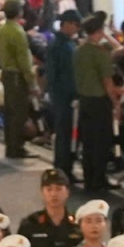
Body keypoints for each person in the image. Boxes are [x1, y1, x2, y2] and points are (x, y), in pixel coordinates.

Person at [73, 12, 119, 192]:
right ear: (99, 30)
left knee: (88, 142)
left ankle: (89, 178)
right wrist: (115, 103)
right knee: (102, 142)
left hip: (84, 101)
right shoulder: (100, 53)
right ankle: (99, 179)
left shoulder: (79, 52)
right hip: (99, 102)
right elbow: (107, 82)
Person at [0, 0, 37, 161]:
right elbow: (24, 60)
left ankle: (10, 146)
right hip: (17, 75)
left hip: (6, 72)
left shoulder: (2, 29)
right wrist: (31, 82)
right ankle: (17, 146)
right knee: (19, 112)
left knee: (10, 110)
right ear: (19, 12)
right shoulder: (18, 32)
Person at [44, 11, 82, 181]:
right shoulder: (63, 46)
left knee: (64, 133)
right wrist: (74, 93)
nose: (76, 28)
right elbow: (67, 74)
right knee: (65, 133)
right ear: (66, 23)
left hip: (59, 94)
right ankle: (64, 168)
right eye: (74, 24)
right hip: (64, 96)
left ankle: (62, 166)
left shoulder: (58, 43)